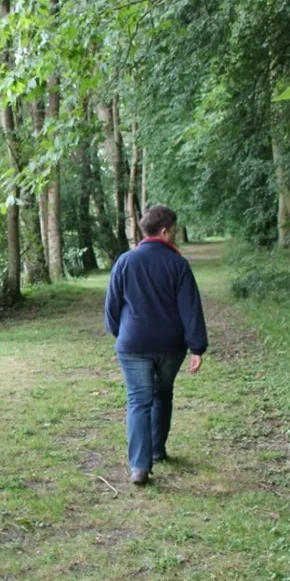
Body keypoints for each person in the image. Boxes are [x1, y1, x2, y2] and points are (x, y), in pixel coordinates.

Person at [105, 206, 208, 485]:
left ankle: (139, 466)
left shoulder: (125, 261)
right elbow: (190, 309)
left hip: (133, 344)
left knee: (139, 400)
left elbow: (112, 306)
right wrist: (197, 347)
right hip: (170, 346)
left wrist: (120, 333)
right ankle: (157, 450)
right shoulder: (178, 264)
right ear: (164, 231)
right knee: (162, 394)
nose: (174, 234)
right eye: (173, 230)